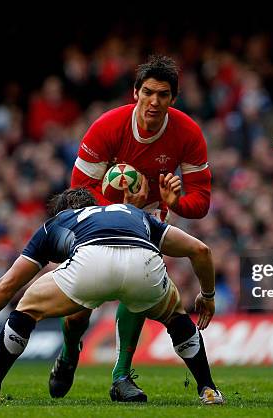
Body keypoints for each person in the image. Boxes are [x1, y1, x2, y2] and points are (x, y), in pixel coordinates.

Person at [0, 188, 223, 405]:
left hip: (90, 265)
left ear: (64, 211)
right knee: (176, 317)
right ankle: (208, 390)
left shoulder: (59, 221)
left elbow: (7, 284)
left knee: (27, 308)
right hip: (143, 266)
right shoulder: (133, 213)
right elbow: (200, 250)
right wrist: (208, 296)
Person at [55, 54, 212, 402]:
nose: (155, 102)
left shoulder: (187, 133)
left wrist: (174, 203)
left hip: (151, 216)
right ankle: (69, 351)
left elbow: (201, 201)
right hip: (97, 214)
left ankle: (121, 375)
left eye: (164, 95)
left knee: (136, 285)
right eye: (149, 93)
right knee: (80, 308)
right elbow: (77, 192)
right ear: (136, 93)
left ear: (174, 98)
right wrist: (120, 207)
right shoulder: (108, 126)